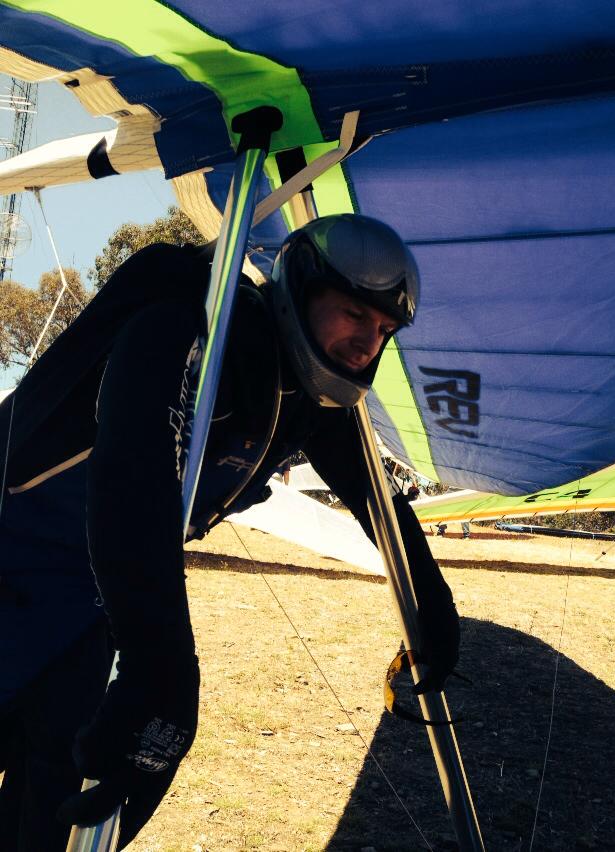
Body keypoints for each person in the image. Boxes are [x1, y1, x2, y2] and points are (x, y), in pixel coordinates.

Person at [0, 214, 460, 850]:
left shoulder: (306, 401)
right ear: (300, 289)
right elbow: (133, 470)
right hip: (14, 565)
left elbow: (376, 500)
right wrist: (160, 667)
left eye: (384, 330)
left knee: (54, 805)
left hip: (92, 602)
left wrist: (431, 601)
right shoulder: (192, 330)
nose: (366, 344)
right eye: (355, 314)